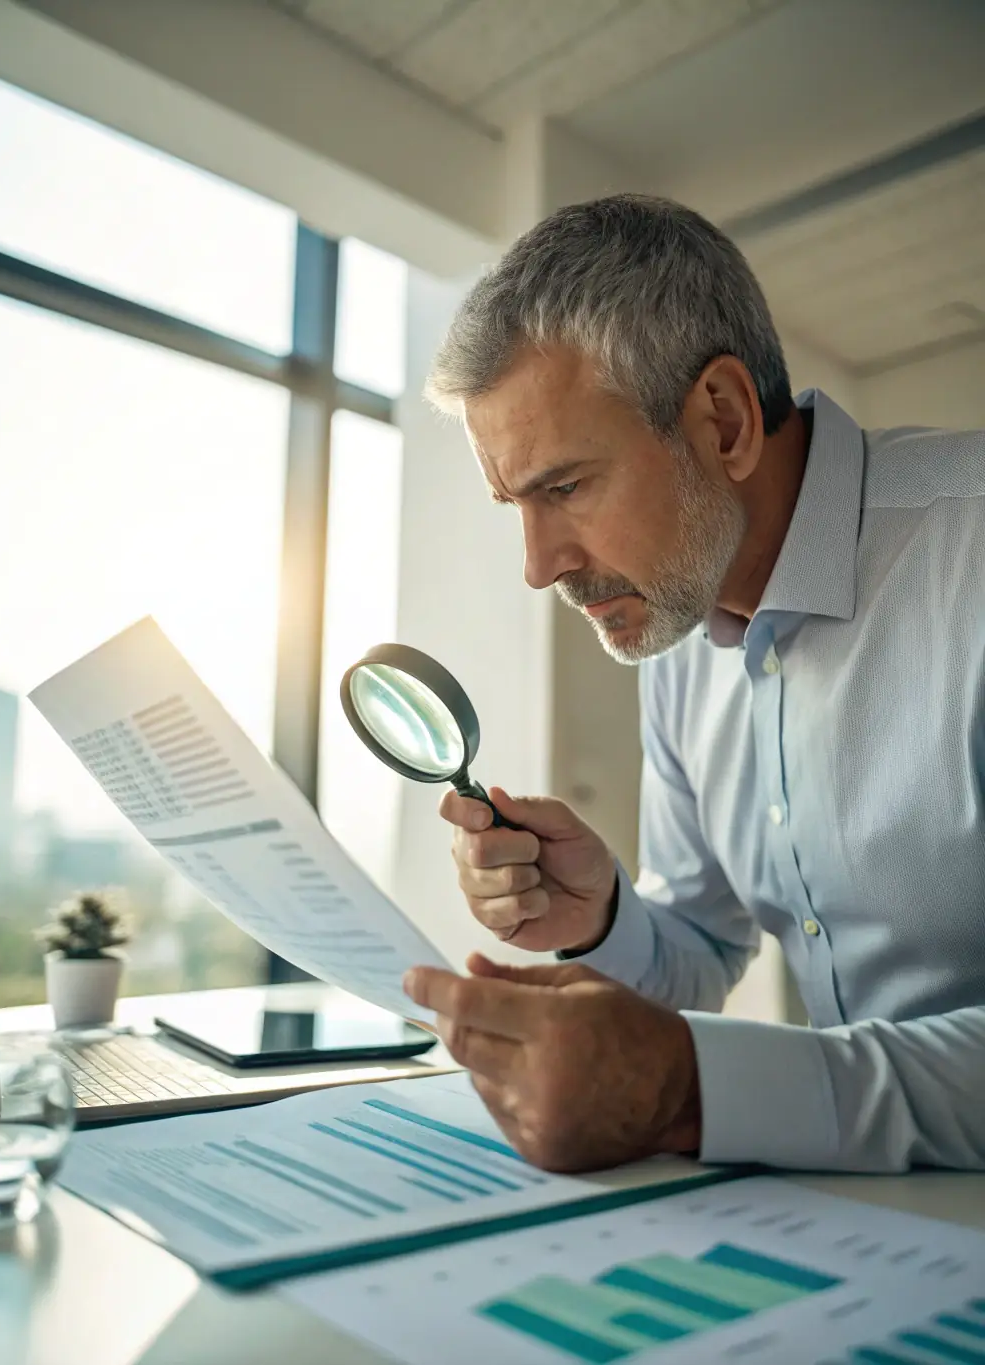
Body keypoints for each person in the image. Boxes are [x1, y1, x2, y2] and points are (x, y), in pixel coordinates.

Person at [401, 193, 985, 1175]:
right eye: (514, 503)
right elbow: (703, 954)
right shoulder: (676, 626)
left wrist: (693, 1090)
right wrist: (600, 918)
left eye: (565, 487)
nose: (539, 567)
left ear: (721, 421)